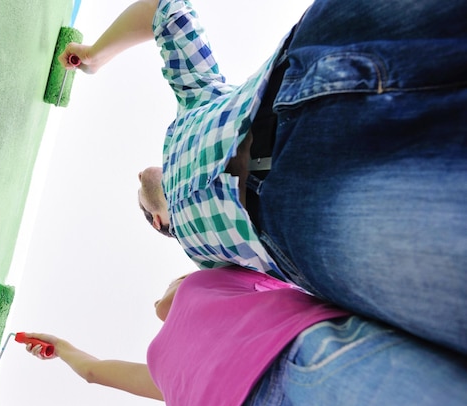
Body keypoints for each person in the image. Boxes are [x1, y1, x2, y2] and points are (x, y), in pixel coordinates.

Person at [60, 0, 467, 355]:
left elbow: (166, 10)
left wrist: (96, 56)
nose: (139, 174)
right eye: (141, 198)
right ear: (159, 221)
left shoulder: (196, 100)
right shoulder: (204, 262)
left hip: (313, 67)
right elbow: (182, 310)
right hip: (314, 219)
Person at [23, 267, 467, 406]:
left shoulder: (210, 280)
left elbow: (294, 284)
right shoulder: (159, 366)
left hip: (293, 357)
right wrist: (61, 347)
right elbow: (95, 372)